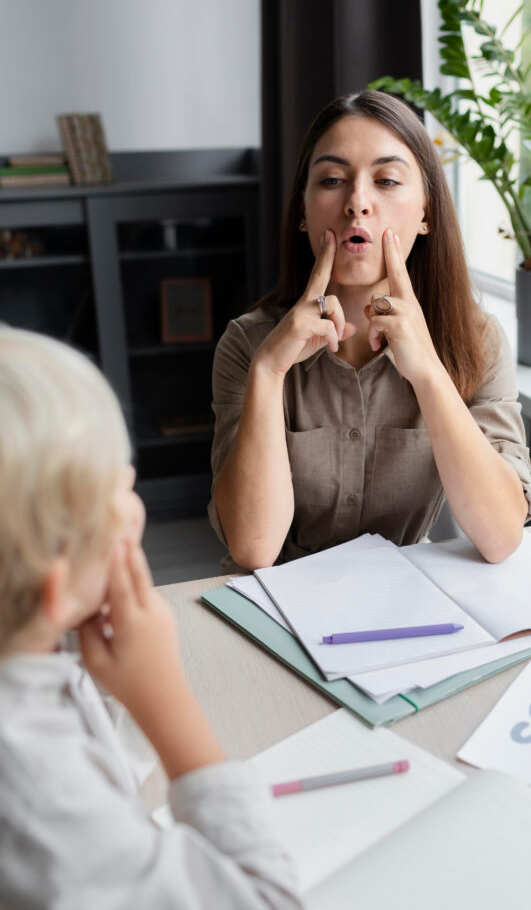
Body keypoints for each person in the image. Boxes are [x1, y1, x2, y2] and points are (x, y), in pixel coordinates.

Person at [0, 328, 301, 910]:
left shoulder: (36, 653)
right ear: (57, 587)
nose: (136, 505)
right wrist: (166, 703)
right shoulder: (38, 792)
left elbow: (112, 769)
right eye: (123, 487)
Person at [209, 90, 531, 571]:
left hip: (405, 599)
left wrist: (427, 372)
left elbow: (501, 536)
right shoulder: (249, 343)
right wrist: (269, 371)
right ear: (302, 212)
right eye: (333, 179)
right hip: (276, 604)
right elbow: (252, 549)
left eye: (386, 180)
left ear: (426, 213)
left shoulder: (477, 340)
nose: (357, 202)